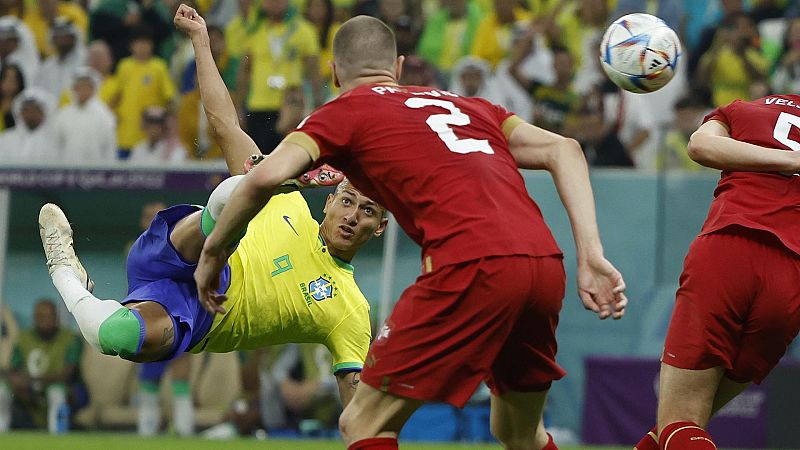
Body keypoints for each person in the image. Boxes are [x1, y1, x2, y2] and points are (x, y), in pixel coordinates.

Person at [178, 6, 627, 450]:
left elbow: (261, 176)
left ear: (334, 73)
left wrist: (213, 254)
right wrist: (590, 252)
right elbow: (565, 148)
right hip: (544, 265)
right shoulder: (468, 106)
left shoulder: (343, 113)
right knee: (519, 433)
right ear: (398, 67)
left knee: (364, 425)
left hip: (472, 264)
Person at [39, 124, 386, 413]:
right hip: (185, 250)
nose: (352, 217)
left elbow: (358, 413)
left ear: (381, 226)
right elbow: (223, 125)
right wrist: (200, 41)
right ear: (329, 201)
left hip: (200, 309)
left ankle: (66, 274)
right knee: (233, 204)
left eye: (368, 212)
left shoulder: (351, 310)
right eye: (347, 201)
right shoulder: (291, 207)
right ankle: (264, 186)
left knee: (112, 337)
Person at [633, 94, 800, 450]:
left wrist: (786, 159)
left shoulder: (743, 109)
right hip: (793, 277)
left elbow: (701, 146)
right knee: (678, 426)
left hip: (730, 246)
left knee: (680, 420)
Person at [5, 299, 83, 432]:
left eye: (50, 316)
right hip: (27, 391)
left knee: (56, 392)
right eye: (41, 316)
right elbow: (13, 369)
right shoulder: (23, 338)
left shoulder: (70, 339)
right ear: (35, 318)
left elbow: (67, 375)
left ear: (56, 318)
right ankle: (2, 431)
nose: (46, 321)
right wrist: (16, 381)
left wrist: (33, 381)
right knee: (2, 390)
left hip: (63, 388)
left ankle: (57, 433)